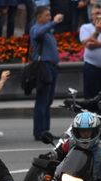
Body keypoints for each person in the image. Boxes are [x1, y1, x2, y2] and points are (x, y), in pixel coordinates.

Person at [30, 7, 64, 141]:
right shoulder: (36, 28)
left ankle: (46, 131)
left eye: (50, 15)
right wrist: (54, 22)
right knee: (42, 100)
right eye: (47, 15)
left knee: (48, 101)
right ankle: (40, 131)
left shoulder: (47, 30)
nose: (50, 17)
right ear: (39, 17)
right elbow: (37, 34)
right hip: (44, 68)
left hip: (51, 67)